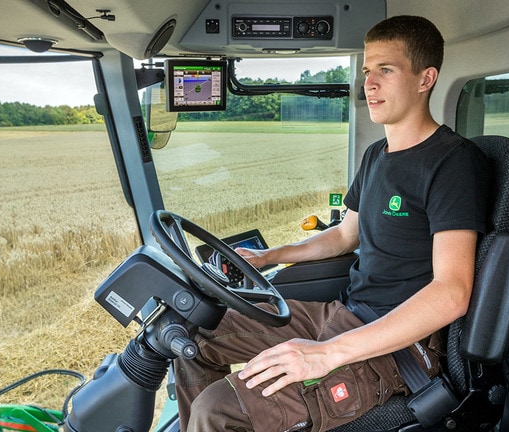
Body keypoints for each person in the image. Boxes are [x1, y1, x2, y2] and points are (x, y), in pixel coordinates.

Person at [174, 15, 489, 432]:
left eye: (386, 70)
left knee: (217, 410)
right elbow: (344, 235)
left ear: (425, 78)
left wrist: (328, 353)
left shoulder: (453, 162)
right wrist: (271, 255)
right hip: (343, 313)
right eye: (366, 71)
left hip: (397, 347)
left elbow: (452, 293)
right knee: (194, 335)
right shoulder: (377, 155)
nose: (369, 84)